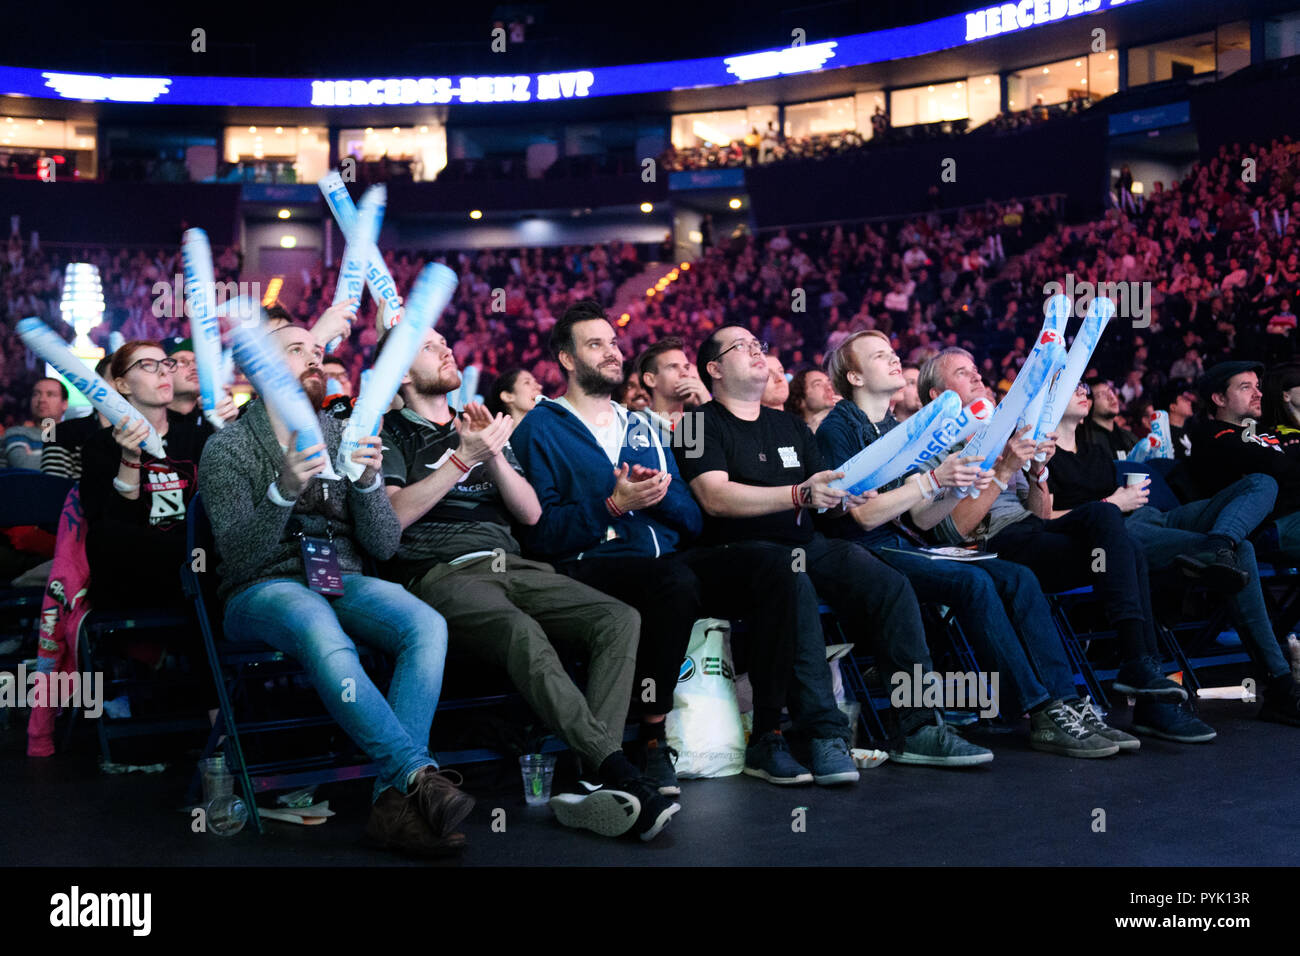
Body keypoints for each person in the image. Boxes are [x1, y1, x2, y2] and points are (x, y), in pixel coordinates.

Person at [379, 326, 675, 841]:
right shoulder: (390, 433)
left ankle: (592, 778)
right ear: (402, 373)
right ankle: (616, 769)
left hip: (511, 564)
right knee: (522, 633)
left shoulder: (481, 428)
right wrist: (461, 458)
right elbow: (392, 519)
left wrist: (489, 451)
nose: (448, 348)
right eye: (430, 347)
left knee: (618, 618)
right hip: (441, 572)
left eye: (446, 340)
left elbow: (532, 512)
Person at [198, 322, 472, 858]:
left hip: (340, 577)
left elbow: (384, 544)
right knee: (316, 624)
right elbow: (239, 557)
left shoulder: (342, 433)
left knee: (426, 625)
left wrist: (370, 482)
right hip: (261, 588)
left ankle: (395, 805)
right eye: (296, 350)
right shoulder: (227, 448)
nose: (313, 358)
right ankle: (417, 774)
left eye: (317, 350)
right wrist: (283, 492)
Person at [681, 325, 995, 769]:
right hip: (736, 549)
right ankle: (824, 734)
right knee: (793, 580)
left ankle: (917, 726)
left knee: (890, 583)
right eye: (742, 347)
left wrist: (846, 497)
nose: (757, 351)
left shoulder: (789, 426)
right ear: (713, 368)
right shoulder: (697, 423)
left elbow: (826, 496)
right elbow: (714, 496)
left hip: (804, 540)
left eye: (759, 344)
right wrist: (798, 495)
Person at [816, 332, 1131, 756]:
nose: (894, 359)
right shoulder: (837, 428)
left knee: (1016, 577)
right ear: (853, 375)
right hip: (864, 551)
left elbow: (922, 518)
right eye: (879, 356)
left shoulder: (898, 427)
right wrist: (932, 481)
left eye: (892, 352)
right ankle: (1036, 710)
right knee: (973, 583)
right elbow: (864, 517)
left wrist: (954, 486)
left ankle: (1067, 701)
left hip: (905, 542)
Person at [917, 348, 1210, 742]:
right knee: (1126, 545)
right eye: (962, 373)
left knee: (1114, 528)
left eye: (977, 371)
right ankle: (1146, 690)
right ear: (937, 395)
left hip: (1032, 535)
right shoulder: (930, 447)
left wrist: (1037, 471)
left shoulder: (1003, 433)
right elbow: (954, 531)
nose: (978, 378)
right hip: (993, 544)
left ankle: (1139, 666)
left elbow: (1037, 513)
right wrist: (1003, 468)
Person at [1051, 382, 1300, 728]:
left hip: (1157, 516)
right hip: (1118, 534)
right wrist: (1111, 504)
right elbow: (1042, 522)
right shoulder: (1041, 456)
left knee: (1261, 483)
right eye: (1071, 384)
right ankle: (1281, 685)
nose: (1083, 390)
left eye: (1082, 385)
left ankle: (1217, 545)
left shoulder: (1095, 453)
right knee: (1240, 549)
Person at [80, 342, 211, 612]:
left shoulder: (198, 438)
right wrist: (130, 458)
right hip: (135, 570)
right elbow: (111, 527)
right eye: (148, 366)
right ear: (123, 385)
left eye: (166, 364)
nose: (164, 373)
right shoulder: (100, 445)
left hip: (194, 563)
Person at [1189, 361, 1300, 557]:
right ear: (1220, 399)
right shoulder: (1216, 435)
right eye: (1246, 387)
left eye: (1257, 386)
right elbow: (1276, 467)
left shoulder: (1265, 433)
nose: (1259, 394)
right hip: (1266, 528)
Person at [637, 337, 710, 432]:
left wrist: (707, 402)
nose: (685, 373)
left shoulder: (700, 425)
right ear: (651, 380)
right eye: (673, 367)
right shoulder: (635, 426)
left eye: (686, 367)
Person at [3, 378, 67, 470]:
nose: (41, 400)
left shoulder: (76, 437)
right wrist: (68, 460)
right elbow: (23, 465)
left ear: (64, 404)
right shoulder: (17, 433)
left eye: (50, 394)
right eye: (36, 394)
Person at [1080, 378, 1137, 458]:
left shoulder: (1129, 437)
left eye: (1110, 391)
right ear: (1089, 403)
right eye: (1102, 394)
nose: (1111, 397)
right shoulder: (1086, 440)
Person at [785, 368, 838, 433]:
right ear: (800, 401)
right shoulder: (792, 434)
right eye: (818, 384)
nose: (829, 387)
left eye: (829, 382)